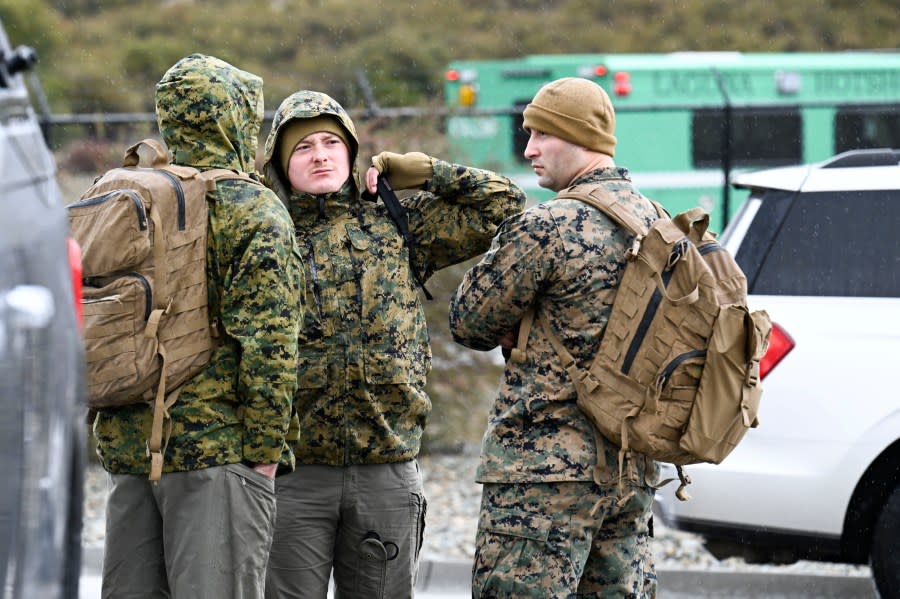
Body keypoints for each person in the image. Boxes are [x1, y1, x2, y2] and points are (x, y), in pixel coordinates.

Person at [259, 89, 526, 599]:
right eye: (303, 147)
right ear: (280, 161)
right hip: (293, 472)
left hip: (384, 467)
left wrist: (427, 172)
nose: (320, 155)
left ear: (351, 152)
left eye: (331, 143)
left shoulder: (394, 223)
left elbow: (505, 205)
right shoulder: (266, 230)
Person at [92, 54, 303, 599]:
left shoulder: (131, 197)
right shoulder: (251, 207)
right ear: (235, 118)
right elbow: (270, 344)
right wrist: (265, 450)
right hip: (216, 452)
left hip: (130, 451)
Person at [449, 77, 661, 598]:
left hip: (541, 475)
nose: (530, 149)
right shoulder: (657, 223)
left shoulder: (547, 225)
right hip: (631, 470)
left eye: (543, 134)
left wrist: (521, 323)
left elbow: (468, 322)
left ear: (579, 137)